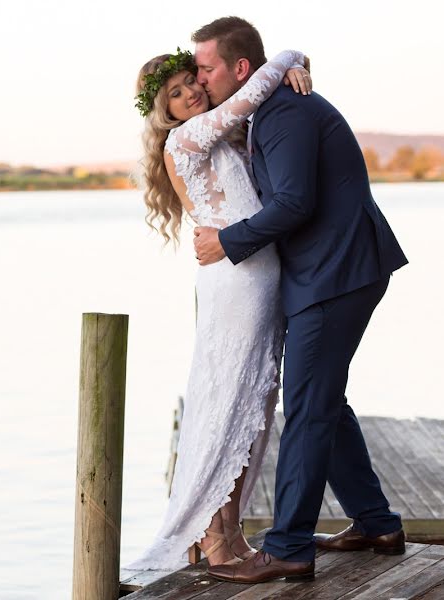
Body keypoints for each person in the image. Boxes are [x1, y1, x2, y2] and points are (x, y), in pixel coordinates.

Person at [191, 17, 408, 584]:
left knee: (308, 407)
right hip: (333, 269)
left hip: (337, 271)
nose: (200, 79)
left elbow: (294, 203)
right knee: (324, 402)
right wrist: (291, 60)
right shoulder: (273, 103)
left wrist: (226, 241)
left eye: (206, 68)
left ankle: (287, 547)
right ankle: (376, 522)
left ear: (241, 69)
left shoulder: (284, 110)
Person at [125, 36, 311, 570]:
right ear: (164, 112)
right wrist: (289, 57)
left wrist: (297, 67)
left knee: (252, 407)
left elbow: (251, 109)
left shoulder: (222, 135)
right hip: (237, 283)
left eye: (191, 83)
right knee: (227, 405)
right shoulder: (185, 139)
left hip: (258, 280)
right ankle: (211, 539)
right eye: (176, 93)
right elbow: (249, 96)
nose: (190, 96)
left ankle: (228, 533)